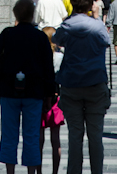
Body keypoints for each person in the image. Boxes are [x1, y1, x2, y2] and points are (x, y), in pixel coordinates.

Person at [0, 0, 56, 174]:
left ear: (16, 14)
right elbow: (49, 69)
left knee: (9, 135)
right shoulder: (40, 37)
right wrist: (50, 94)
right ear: (32, 15)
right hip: (34, 93)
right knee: (32, 136)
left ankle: (10, 171)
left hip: (9, 91)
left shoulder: (7, 34)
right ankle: (31, 171)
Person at [53, 0, 111, 174]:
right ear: (89, 4)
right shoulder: (97, 26)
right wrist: (95, 16)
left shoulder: (66, 26)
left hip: (71, 85)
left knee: (74, 137)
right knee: (95, 137)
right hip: (95, 83)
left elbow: (56, 40)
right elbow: (106, 42)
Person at [40, 26, 64, 174]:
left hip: (41, 98)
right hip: (57, 98)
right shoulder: (60, 57)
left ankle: (38, 170)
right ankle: (55, 171)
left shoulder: (38, 57)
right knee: (56, 139)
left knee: (38, 139)